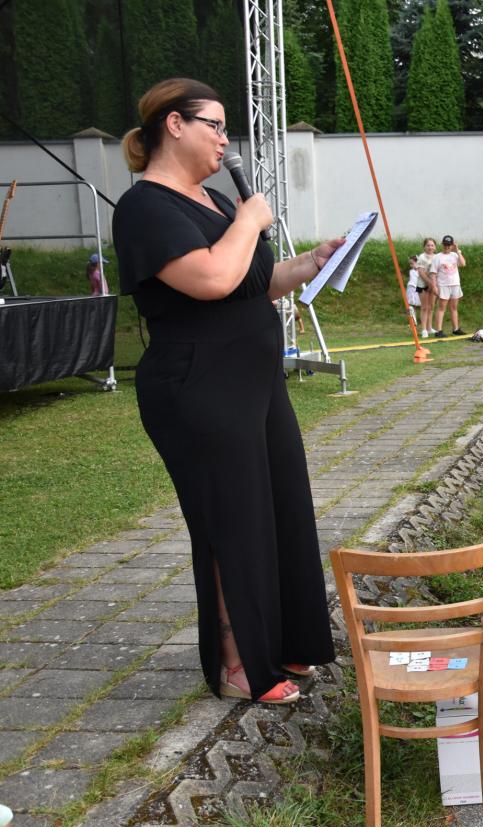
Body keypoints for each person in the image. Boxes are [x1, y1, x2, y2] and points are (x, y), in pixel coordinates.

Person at [112, 78, 339, 704]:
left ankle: (285, 642)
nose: (224, 139)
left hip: (255, 384)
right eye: (213, 124)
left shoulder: (212, 200)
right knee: (231, 523)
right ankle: (239, 665)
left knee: (282, 510)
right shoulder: (145, 208)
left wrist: (312, 262)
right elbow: (212, 279)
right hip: (199, 389)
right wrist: (249, 219)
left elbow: (253, 282)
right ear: (174, 124)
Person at [430, 235, 465, 337]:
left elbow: (463, 264)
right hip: (443, 285)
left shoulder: (455, 255)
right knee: (441, 308)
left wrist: (457, 250)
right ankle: (438, 331)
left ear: (452, 245)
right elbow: (433, 273)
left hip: (455, 284)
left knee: (454, 307)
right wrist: (434, 286)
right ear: (442, 245)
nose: (447, 247)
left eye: (449, 245)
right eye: (445, 244)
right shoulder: (437, 257)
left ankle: (455, 329)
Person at [411, 238, 437, 335]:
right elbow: (421, 273)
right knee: (425, 307)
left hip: (433, 284)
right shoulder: (421, 257)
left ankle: (430, 328)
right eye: (428, 245)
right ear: (424, 247)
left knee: (431, 307)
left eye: (432, 245)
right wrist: (430, 283)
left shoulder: (437, 257)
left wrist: (434, 284)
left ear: (435, 247)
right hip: (423, 285)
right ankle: (424, 329)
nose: (430, 247)